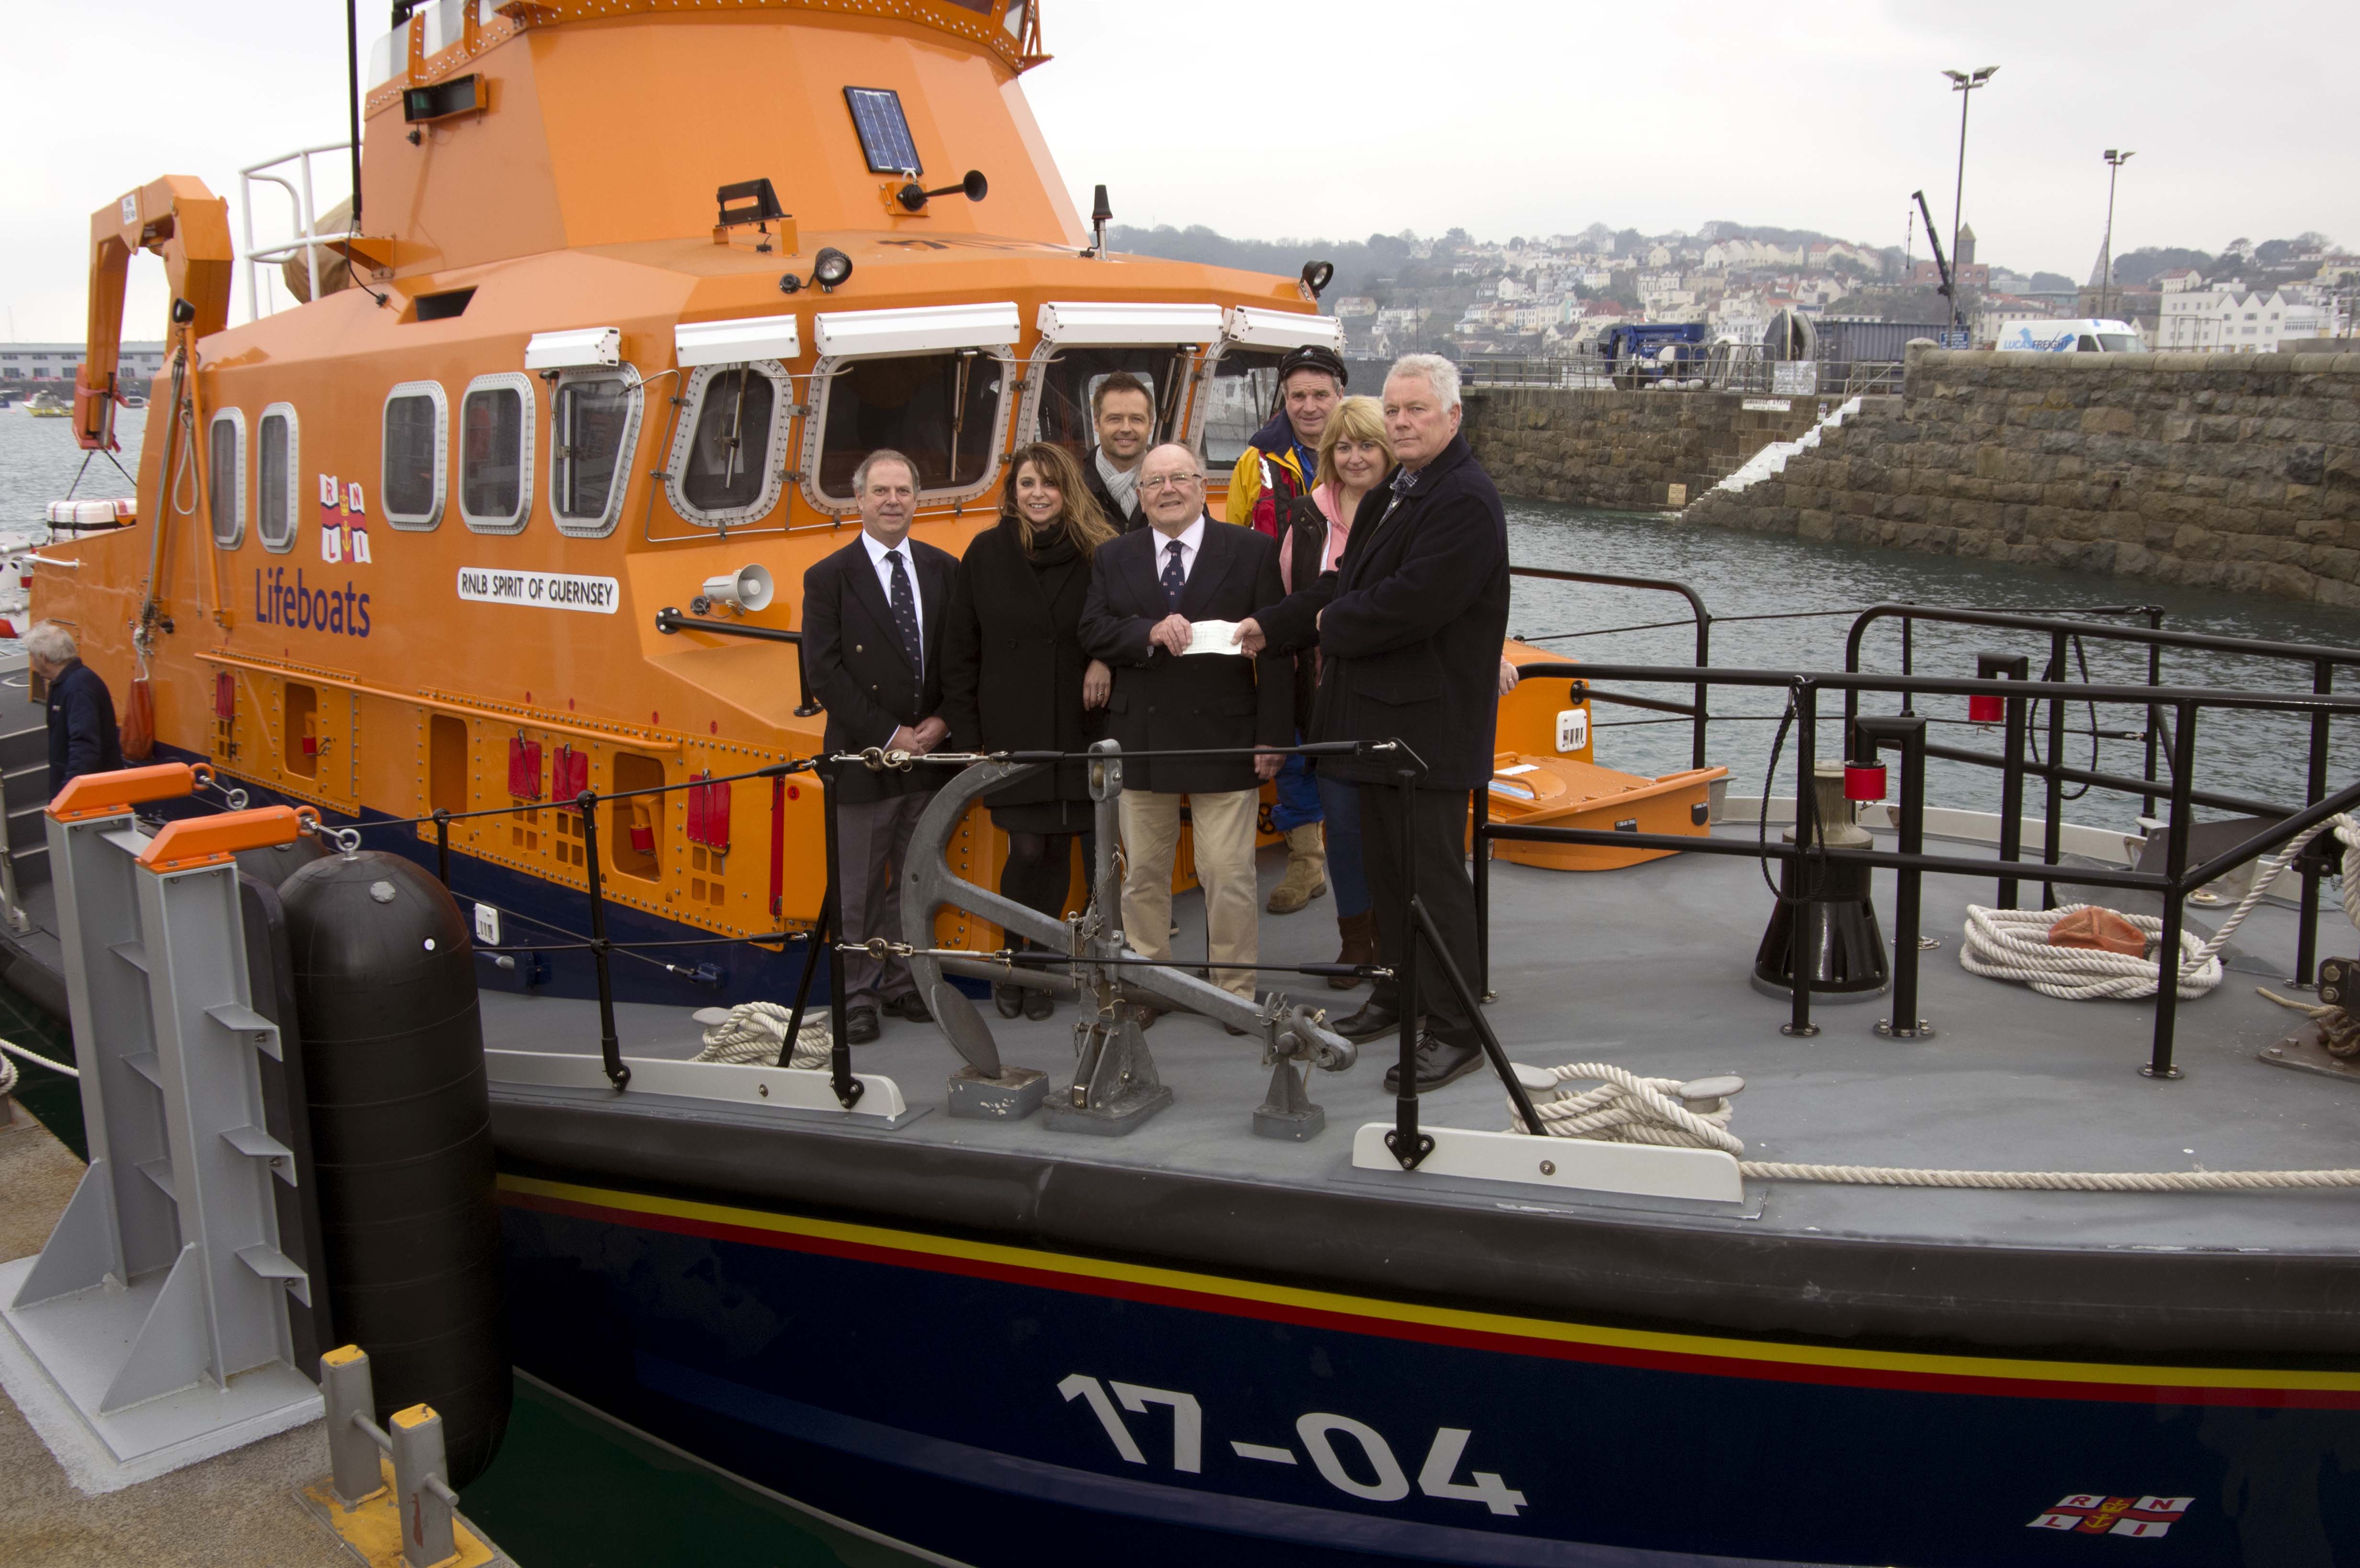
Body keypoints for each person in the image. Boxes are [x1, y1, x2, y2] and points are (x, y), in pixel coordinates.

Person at [1238, 354, 1510, 1089]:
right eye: (1393, 410)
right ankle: (1397, 991)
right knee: (1389, 876)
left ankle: (1455, 1028)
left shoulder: (1464, 499)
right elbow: (1344, 580)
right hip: (1380, 724)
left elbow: (1414, 600)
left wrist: (1330, 624)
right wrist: (1275, 624)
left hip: (1428, 730)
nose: (1401, 422)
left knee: (1432, 880)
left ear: (1453, 416)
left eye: (1417, 409)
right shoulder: (1400, 487)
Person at [1079, 442, 1290, 1017]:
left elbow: (1275, 651)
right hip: (1141, 739)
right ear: (1140, 495)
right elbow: (1092, 629)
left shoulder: (1251, 551)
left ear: (1202, 485)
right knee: (1143, 873)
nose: (1167, 489)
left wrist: (1272, 735)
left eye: (1179, 478)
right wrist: (1146, 632)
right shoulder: (1113, 556)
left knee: (1227, 872)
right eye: (1154, 482)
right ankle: (1150, 985)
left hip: (1225, 735)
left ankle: (1233, 991)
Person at [940, 443, 1118, 1021]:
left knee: (1060, 847)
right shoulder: (985, 553)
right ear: (1012, 493)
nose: (1037, 493)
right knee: (1027, 847)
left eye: (1049, 483)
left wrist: (1104, 659)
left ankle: (1040, 967)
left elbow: (1118, 622)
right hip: (1011, 727)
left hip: (1076, 725)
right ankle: (1013, 958)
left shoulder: (1098, 550)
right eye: (1026, 484)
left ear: (1067, 490)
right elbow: (960, 651)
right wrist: (969, 738)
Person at [800, 450, 957, 1044]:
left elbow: (958, 656)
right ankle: (858, 994)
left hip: (929, 756)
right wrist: (891, 735)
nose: (893, 501)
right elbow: (824, 672)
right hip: (865, 758)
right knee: (860, 888)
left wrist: (942, 721)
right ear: (859, 500)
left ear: (917, 499)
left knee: (912, 880)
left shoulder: (944, 569)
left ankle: (902, 980)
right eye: (881, 491)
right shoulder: (828, 578)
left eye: (903, 491)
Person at [1227, 344, 1350, 916]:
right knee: (1291, 740)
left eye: (1320, 394)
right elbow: (1236, 535)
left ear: (1340, 395)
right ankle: (1306, 859)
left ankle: (1356, 854)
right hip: (1280, 620)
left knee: (1351, 737)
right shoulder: (1255, 462)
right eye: (1297, 395)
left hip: (1351, 618)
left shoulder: (1367, 451)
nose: (1308, 406)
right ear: (1284, 398)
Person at [1277, 396, 1390, 986]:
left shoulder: (1406, 510)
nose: (1354, 457)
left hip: (1388, 691)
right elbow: (1293, 594)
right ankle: (1355, 941)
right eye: (1342, 447)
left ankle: (1393, 938)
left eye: (1367, 445)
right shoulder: (1307, 514)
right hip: (1323, 691)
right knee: (1342, 824)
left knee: (1387, 828)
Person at [28, 622, 121, 798]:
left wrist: (67, 795)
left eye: (32, 656)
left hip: (88, 796)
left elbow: (85, 747)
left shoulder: (78, 690)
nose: (32, 663)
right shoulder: (69, 683)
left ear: (43, 658)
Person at [1080, 372, 1155, 533]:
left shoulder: (1179, 485)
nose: (1126, 429)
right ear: (1096, 423)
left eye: (1136, 419)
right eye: (1115, 419)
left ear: (1150, 425)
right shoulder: (1074, 486)